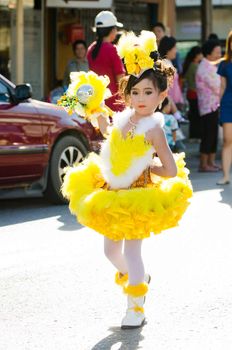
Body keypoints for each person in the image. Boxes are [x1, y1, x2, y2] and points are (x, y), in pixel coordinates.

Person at [62, 31, 192, 329]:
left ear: (161, 96)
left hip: (138, 196)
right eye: (135, 92)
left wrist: (148, 169)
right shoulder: (123, 119)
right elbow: (111, 136)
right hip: (112, 192)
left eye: (148, 93)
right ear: (127, 93)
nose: (141, 98)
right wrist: (97, 114)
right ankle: (140, 279)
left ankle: (136, 305)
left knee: (133, 251)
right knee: (110, 251)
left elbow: (170, 170)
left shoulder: (154, 129)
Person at [87, 10, 125, 112]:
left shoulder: (91, 49)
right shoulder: (112, 49)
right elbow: (120, 78)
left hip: (96, 101)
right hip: (113, 102)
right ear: (112, 30)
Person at [195, 39, 221, 172]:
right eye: (217, 52)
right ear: (208, 53)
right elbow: (218, 87)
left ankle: (210, 162)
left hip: (212, 106)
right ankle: (204, 164)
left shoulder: (209, 66)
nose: (219, 55)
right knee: (208, 135)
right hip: (208, 107)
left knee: (213, 135)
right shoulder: (206, 68)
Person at [216, 30, 232, 185]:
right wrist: (219, 106)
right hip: (228, 103)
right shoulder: (224, 63)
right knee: (228, 140)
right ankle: (226, 175)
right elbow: (222, 86)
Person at [182, 46, 203, 140]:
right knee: (196, 116)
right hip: (195, 93)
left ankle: (193, 135)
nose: (202, 56)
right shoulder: (195, 66)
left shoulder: (189, 64)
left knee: (193, 115)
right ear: (197, 55)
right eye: (201, 54)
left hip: (190, 93)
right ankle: (197, 136)